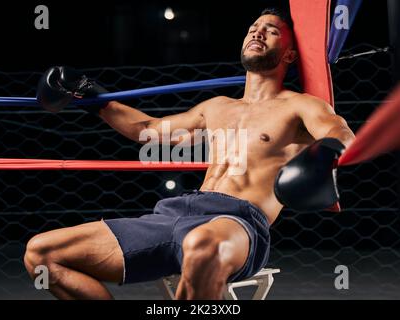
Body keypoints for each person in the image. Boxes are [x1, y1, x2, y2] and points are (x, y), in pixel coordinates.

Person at [25, 7, 355, 300]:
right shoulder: (217, 107)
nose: (258, 31)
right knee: (42, 253)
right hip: (174, 215)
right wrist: (91, 96)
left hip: (237, 223)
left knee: (202, 245)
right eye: (253, 27)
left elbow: (339, 131)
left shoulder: (299, 105)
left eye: (271, 30)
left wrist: (326, 155)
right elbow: (147, 129)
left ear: (289, 55)